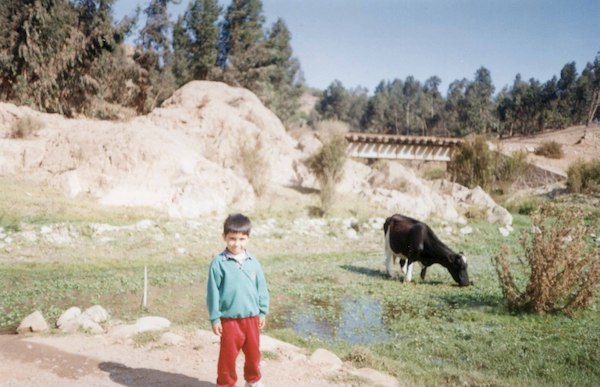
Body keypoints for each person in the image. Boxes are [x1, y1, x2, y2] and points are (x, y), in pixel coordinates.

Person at [206, 213, 269, 387]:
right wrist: (215, 318)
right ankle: (226, 383)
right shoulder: (218, 263)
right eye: (232, 238)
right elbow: (213, 293)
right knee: (227, 357)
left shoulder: (253, 262)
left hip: (251, 319)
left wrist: (262, 312)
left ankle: (253, 380)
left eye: (241, 239)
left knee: (254, 354)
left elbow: (261, 288)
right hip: (229, 321)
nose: (237, 243)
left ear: (248, 238)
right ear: (224, 237)